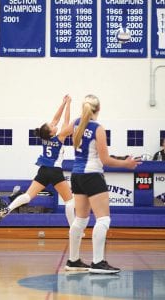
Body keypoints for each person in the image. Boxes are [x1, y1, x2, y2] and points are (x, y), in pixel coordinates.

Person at [64, 94, 141, 274]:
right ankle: (98, 262)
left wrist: (67, 106)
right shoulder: (98, 128)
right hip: (92, 175)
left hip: (76, 175)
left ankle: (73, 260)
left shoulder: (76, 124)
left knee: (81, 220)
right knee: (103, 219)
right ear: (98, 109)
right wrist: (126, 164)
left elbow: (61, 133)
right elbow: (105, 160)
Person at [0, 95, 75, 228]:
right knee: (69, 201)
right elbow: (65, 121)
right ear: (51, 132)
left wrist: (63, 102)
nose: (53, 124)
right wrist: (69, 104)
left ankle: (8, 209)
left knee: (28, 196)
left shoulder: (45, 138)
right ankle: (74, 229)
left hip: (43, 170)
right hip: (55, 171)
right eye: (51, 126)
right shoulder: (60, 137)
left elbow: (55, 119)